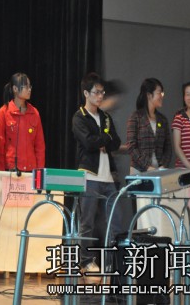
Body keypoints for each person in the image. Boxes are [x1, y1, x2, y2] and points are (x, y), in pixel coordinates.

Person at [72, 73, 121, 275]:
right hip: (89, 175)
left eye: (102, 92)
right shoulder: (79, 117)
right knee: (88, 222)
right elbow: (88, 142)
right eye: (96, 92)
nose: (100, 96)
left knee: (113, 222)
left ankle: (112, 261)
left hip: (108, 176)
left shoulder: (106, 117)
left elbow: (116, 142)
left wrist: (102, 140)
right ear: (86, 93)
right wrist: (104, 139)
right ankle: (86, 261)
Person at [0, 72, 45, 172]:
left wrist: (39, 171)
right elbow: (0, 144)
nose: (29, 89)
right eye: (26, 87)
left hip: (30, 168)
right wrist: (0, 170)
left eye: (30, 86)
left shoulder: (34, 112)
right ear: (15, 89)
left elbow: (40, 145)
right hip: (10, 168)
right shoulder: (4, 112)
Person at [126, 78, 172, 172]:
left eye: (162, 93)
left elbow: (168, 147)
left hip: (159, 171)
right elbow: (131, 146)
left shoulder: (163, 119)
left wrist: (163, 166)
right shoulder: (136, 117)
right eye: (159, 93)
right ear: (149, 95)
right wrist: (147, 166)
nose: (162, 96)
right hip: (139, 170)